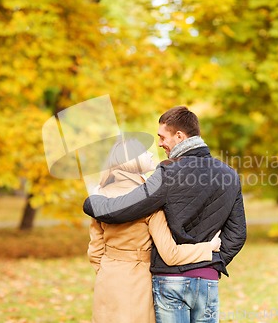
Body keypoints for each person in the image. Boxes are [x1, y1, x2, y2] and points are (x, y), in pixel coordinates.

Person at [84, 106, 247, 323]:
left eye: (162, 137)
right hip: (208, 279)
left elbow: (129, 207)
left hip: (169, 278)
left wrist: (93, 202)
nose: (159, 143)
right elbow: (238, 233)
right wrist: (212, 262)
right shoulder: (230, 175)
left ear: (179, 135)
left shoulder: (167, 172)